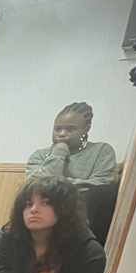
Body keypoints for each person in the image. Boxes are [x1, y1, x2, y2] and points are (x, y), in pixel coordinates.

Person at [26, 102, 118, 245]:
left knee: (103, 192)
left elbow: (100, 183)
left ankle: (88, 251)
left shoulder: (101, 150)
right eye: (58, 129)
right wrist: (59, 151)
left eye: (70, 129)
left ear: (85, 129)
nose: (62, 133)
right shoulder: (39, 155)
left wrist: (57, 182)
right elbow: (40, 188)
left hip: (85, 209)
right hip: (48, 206)